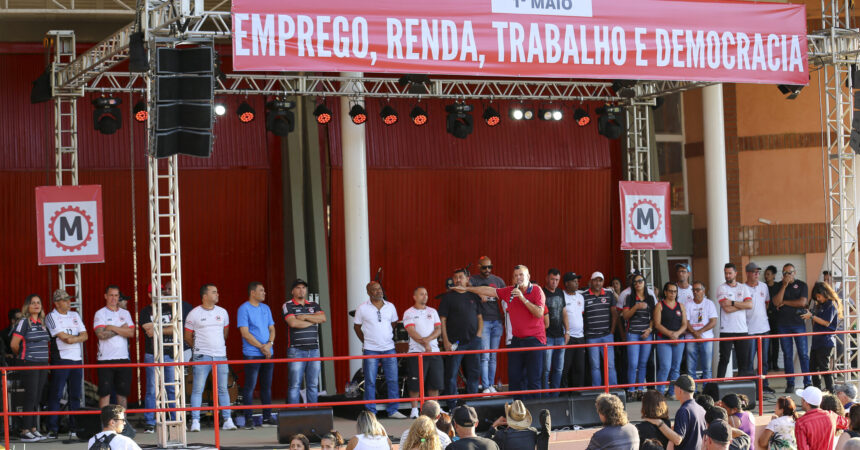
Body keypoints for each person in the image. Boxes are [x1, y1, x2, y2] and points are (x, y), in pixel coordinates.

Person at [454, 265, 547, 398]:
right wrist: (467, 288)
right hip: (517, 340)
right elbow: (489, 291)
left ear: (528, 276)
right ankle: (517, 414)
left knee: (534, 379)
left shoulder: (537, 290)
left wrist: (522, 298)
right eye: (515, 275)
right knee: (514, 379)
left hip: (535, 340)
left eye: (521, 275)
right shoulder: (509, 291)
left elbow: (539, 313)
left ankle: (535, 413)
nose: (518, 278)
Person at [139, 283, 192, 433]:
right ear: (149, 295)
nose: (162, 293)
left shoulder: (171, 308)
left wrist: (157, 328)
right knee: (152, 389)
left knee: (172, 388)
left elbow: (179, 329)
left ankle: (175, 419)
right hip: (152, 354)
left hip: (170, 353)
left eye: (162, 291)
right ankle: (150, 422)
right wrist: (169, 329)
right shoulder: (145, 311)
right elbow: (149, 332)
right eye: (157, 292)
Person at [185, 284, 236, 431]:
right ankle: (195, 421)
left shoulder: (223, 312)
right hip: (202, 356)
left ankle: (227, 419)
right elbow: (187, 336)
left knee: (223, 388)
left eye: (217, 291)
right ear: (205, 296)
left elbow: (225, 334)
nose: (217, 294)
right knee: (197, 389)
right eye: (214, 292)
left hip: (220, 355)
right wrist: (199, 348)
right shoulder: (194, 313)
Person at [353, 281, 406, 418]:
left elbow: (393, 324)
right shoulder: (362, 308)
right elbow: (357, 327)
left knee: (393, 379)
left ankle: (393, 410)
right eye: (375, 289)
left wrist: (384, 336)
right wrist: (366, 341)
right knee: (370, 380)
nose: (379, 291)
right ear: (369, 292)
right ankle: (371, 411)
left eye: (380, 289)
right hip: (370, 349)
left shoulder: (390, 306)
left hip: (389, 348)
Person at [45, 289, 87, 440]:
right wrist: (76, 337)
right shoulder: (51, 316)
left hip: (76, 359)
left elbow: (85, 335)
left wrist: (72, 338)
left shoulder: (75, 315)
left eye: (69, 299)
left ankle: (74, 428)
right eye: (65, 300)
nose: (69, 302)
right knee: (56, 394)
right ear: (56, 303)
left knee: (75, 395)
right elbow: (63, 338)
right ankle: (52, 429)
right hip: (61, 359)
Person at [439, 268, 483, 408]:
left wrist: (479, 335)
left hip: (473, 342)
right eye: (456, 277)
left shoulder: (473, 295)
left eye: (461, 277)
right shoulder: (448, 297)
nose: (458, 280)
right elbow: (442, 320)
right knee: (451, 375)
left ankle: (472, 405)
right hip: (454, 343)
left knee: (474, 374)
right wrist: (445, 340)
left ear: (467, 279)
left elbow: (480, 317)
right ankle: (452, 405)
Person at [10, 294, 50, 442]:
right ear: (27, 306)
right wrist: (23, 356)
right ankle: (25, 430)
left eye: (38, 303)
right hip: (29, 363)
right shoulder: (24, 322)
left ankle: (33, 428)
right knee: (30, 395)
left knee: (37, 396)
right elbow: (14, 344)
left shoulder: (42, 322)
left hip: (42, 363)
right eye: (33, 303)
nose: (36, 305)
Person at [238, 281, 276, 429]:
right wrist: (262, 347)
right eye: (261, 290)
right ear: (252, 293)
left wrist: (269, 344)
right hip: (252, 354)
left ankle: (267, 417)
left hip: (268, 353)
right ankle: (248, 419)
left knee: (267, 387)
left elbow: (272, 329)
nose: (264, 293)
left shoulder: (266, 308)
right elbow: (245, 333)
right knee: (250, 387)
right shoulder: (244, 308)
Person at [284, 279, 327, 408]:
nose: (301, 290)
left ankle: (313, 412)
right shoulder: (288, 305)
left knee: (313, 385)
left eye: (303, 287)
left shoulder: (314, 305)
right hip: (296, 350)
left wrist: (305, 317)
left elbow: (323, 318)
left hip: (314, 350)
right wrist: (313, 321)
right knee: (295, 385)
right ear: (292, 291)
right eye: (298, 287)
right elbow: (293, 323)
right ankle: (294, 414)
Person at [402, 288, 444, 419]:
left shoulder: (433, 311)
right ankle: (414, 409)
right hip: (416, 353)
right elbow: (411, 331)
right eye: (421, 294)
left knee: (434, 382)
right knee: (415, 383)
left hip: (434, 351)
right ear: (414, 297)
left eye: (426, 294)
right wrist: (424, 343)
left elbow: (438, 329)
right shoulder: (409, 312)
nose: (425, 296)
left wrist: (428, 341)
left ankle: (434, 409)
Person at [93, 285, 135, 408]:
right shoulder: (100, 313)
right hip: (105, 359)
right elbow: (101, 335)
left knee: (122, 394)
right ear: (105, 296)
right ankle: (104, 425)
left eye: (116, 295)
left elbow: (131, 333)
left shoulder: (125, 313)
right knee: (104, 393)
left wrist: (111, 327)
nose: (113, 298)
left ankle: (122, 425)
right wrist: (121, 329)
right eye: (111, 295)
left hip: (123, 358)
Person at [771, 263, 811, 392]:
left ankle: (807, 383)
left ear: (794, 273)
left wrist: (785, 302)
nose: (787, 275)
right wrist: (784, 285)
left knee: (803, 354)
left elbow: (802, 302)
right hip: (783, 325)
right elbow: (776, 302)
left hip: (798, 323)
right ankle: (790, 383)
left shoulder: (802, 285)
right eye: (784, 273)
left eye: (789, 272)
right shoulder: (778, 286)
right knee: (788, 354)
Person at [470, 256, 506, 393]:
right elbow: (466, 286)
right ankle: (485, 386)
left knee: (493, 356)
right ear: (479, 267)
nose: (487, 270)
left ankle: (491, 385)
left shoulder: (498, 281)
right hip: (483, 321)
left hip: (496, 320)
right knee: (485, 355)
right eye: (484, 267)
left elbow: (506, 297)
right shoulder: (474, 280)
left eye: (490, 267)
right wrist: (479, 293)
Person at [621, 273, 655, 400]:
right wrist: (636, 306)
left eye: (640, 281)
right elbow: (625, 316)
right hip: (633, 333)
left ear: (644, 282)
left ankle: (640, 389)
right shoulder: (628, 298)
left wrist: (649, 329)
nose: (638, 283)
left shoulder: (650, 297)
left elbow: (654, 317)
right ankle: (631, 390)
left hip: (647, 333)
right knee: (633, 363)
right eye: (635, 282)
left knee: (643, 363)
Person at [716, 263, 753, 378]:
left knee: (743, 362)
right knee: (724, 360)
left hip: (742, 329)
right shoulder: (721, 288)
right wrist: (742, 304)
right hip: (726, 330)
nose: (727, 275)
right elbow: (726, 309)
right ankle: (718, 385)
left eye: (730, 273)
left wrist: (732, 302)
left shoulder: (743, 287)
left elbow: (750, 305)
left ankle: (742, 388)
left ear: (735, 273)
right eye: (725, 273)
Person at [582, 272, 619, 387]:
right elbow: (581, 316)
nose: (598, 283)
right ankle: (597, 390)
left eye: (600, 280)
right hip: (591, 337)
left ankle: (613, 389)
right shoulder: (584, 295)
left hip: (607, 335)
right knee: (595, 366)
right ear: (591, 281)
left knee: (610, 365)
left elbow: (614, 314)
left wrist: (612, 332)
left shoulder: (608, 294)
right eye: (595, 280)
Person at [807, 281, 842, 393]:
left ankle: (831, 393)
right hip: (816, 341)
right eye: (816, 297)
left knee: (824, 369)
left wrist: (812, 316)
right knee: (813, 369)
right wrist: (811, 314)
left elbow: (827, 322)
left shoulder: (831, 304)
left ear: (825, 293)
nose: (818, 299)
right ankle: (816, 393)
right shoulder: (819, 305)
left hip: (826, 341)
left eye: (819, 296)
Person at [744, 262, 773, 393]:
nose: (756, 274)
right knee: (749, 360)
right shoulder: (742, 288)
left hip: (764, 328)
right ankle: (750, 386)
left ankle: (764, 384)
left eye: (758, 272)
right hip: (749, 330)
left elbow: (766, 304)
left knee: (764, 360)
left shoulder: (764, 287)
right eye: (754, 272)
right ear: (748, 273)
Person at [654, 282, 686, 397]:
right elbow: (657, 324)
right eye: (671, 291)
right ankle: (660, 393)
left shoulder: (680, 306)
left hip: (678, 339)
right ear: (666, 292)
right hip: (664, 340)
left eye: (675, 291)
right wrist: (670, 334)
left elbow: (684, 324)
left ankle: (673, 392)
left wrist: (676, 334)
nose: (673, 293)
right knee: (665, 367)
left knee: (676, 368)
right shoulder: (660, 305)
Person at [795, 386, 849, 450]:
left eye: (802, 399)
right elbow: (846, 423)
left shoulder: (801, 423)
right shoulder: (831, 416)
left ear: (805, 402)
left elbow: (802, 448)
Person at [684, 281, 717, 381]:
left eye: (697, 290)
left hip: (706, 338)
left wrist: (699, 332)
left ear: (703, 291)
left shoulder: (709, 303)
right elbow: (686, 322)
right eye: (693, 290)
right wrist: (695, 334)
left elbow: (713, 321)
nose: (695, 292)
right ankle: (693, 392)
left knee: (707, 368)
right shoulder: (687, 304)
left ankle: (707, 391)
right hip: (690, 339)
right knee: (690, 369)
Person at [561, 272, 586, 388]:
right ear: (567, 283)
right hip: (568, 337)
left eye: (577, 281)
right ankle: (564, 393)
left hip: (580, 337)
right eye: (574, 281)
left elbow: (581, 314)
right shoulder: (562, 296)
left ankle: (578, 393)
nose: (577, 283)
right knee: (565, 367)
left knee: (580, 367)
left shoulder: (580, 297)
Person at [668, 375, 707, 450]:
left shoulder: (684, 411)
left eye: (675, 388)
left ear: (680, 390)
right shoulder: (701, 409)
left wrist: (660, 424)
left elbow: (677, 439)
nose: (674, 390)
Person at [543, 269, 565, 396]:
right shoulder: (542, 292)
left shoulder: (560, 292)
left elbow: (564, 312)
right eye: (552, 279)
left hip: (560, 336)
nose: (554, 282)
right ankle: (546, 396)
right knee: (546, 369)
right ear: (547, 278)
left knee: (558, 369)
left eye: (557, 280)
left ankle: (555, 395)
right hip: (547, 336)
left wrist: (567, 331)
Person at [763, 265, 782, 372]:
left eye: (768, 274)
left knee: (775, 342)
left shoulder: (778, 286)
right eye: (765, 274)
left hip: (776, 317)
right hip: (765, 317)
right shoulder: (763, 286)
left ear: (774, 275)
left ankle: (775, 363)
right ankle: (767, 364)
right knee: (766, 342)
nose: (766, 276)